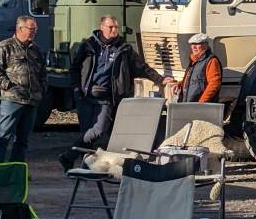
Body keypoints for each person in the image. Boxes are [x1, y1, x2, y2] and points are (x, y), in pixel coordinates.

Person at [58, 15, 174, 170]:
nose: (114, 30)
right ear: (102, 28)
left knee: (98, 131)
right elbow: (75, 69)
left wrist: (159, 79)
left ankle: (68, 156)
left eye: (116, 27)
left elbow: (141, 67)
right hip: (86, 96)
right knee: (87, 133)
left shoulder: (123, 48)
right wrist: (77, 90)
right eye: (110, 27)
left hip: (106, 97)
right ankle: (86, 168)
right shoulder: (88, 46)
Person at [0, 16, 46, 164]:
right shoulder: (5, 46)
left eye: (35, 29)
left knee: (23, 140)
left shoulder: (36, 50)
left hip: (31, 101)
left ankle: (16, 171)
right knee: (3, 137)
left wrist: (41, 89)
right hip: (12, 101)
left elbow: (43, 73)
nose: (34, 32)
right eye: (31, 29)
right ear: (20, 29)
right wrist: (9, 87)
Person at [176, 33, 222, 103]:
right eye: (192, 44)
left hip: (200, 106)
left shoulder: (211, 61)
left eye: (197, 44)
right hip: (189, 104)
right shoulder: (194, 61)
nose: (194, 47)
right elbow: (193, 80)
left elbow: (214, 84)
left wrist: (201, 102)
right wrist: (180, 84)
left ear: (205, 45)